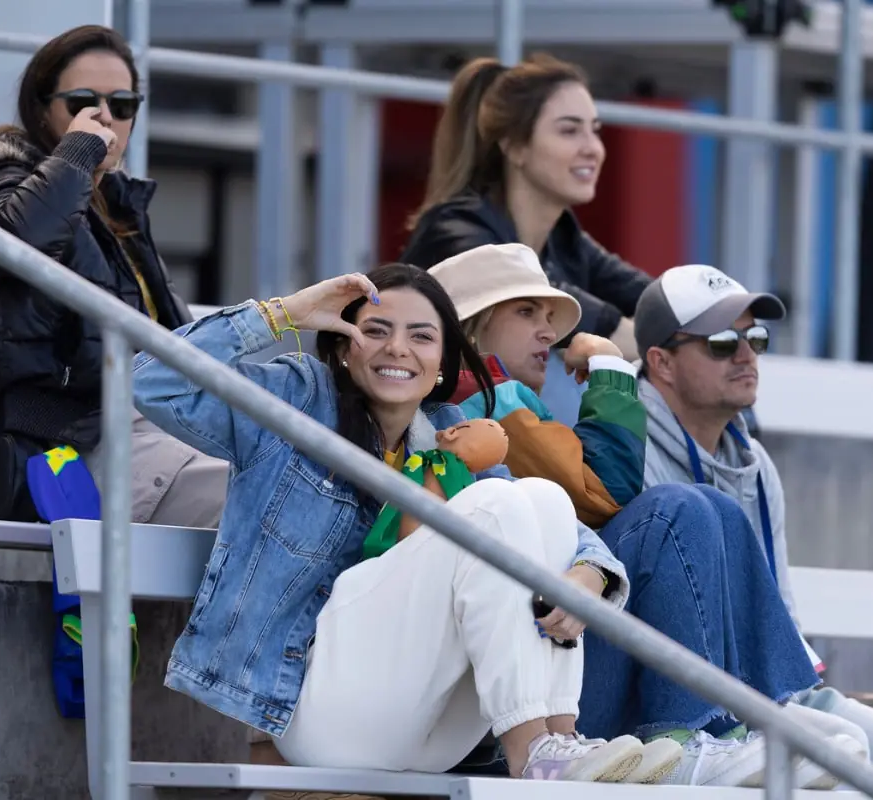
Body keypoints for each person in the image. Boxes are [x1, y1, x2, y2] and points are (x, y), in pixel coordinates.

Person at [131, 263, 660, 784]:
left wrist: (593, 572)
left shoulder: (449, 429)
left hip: (430, 723)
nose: (398, 349)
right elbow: (153, 381)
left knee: (541, 496)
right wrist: (284, 313)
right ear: (344, 345)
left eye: (421, 336)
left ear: (443, 362)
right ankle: (533, 754)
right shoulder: (297, 398)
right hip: (313, 713)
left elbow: (548, 520)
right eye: (376, 330)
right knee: (497, 503)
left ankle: (559, 741)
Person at [431, 244, 859, 788]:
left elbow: (581, 510)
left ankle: (726, 725)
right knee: (675, 512)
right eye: (525, 312)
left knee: (707, 507)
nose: (548, 332)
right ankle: (691, 731)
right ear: (471, 331)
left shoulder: (511, 406)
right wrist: (612, 368)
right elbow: (604, 492)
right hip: (508, 710)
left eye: (756, 339)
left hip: (548, 677)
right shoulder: (481, 407)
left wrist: (594, 565)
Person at [0, 25, 228, 530]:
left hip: (164, 425)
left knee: (311, 481)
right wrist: (77, 154)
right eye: (84, 102)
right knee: (265, 499)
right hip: (78, 442)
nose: (105, 117)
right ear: (41, 108)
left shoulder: (119, 209)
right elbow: (17, 245)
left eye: (122, 104)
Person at [632, 263, 873, 793]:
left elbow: (781, 612)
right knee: (842, 749)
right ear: (661, 363)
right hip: (684, 707)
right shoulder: (627, 448)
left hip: (767, 690)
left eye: (755, 338)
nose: (746, 355)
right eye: (721, 342)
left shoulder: (756, 463)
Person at [400, 53, 651, 425]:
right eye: (569, 130)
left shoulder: (565, 237)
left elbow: (655, 301)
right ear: (514, 146)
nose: (593, 148)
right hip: (441, 437)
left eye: (594, 130)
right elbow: (597, 318)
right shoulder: (457, 229)